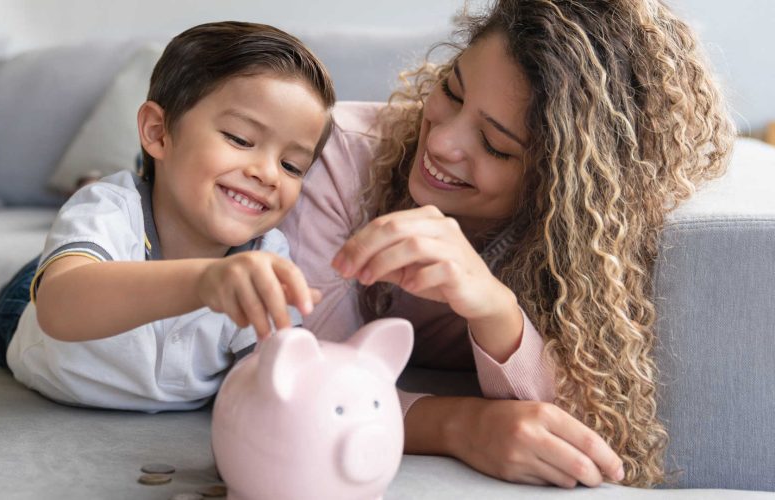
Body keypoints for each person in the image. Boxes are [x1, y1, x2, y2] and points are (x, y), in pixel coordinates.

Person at [280, 0, 734, 488]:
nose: (441, 143)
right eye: (453, 92)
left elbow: (590, 427)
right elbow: (306, 385)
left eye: (495, 145)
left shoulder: (587, 239)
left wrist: (496, 310)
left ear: (560, 181)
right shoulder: (336, 160)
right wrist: (461, 425)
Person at [0, 21, 336, 412]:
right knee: (66, 254)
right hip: (30, 316)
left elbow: (271, 381)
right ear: (158, 131)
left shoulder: (267, 257)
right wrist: (203, 282)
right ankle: (83, 220)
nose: (267, 174)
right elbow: (58, 307)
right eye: (239, 139)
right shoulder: (110, 208)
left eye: (291, 166)